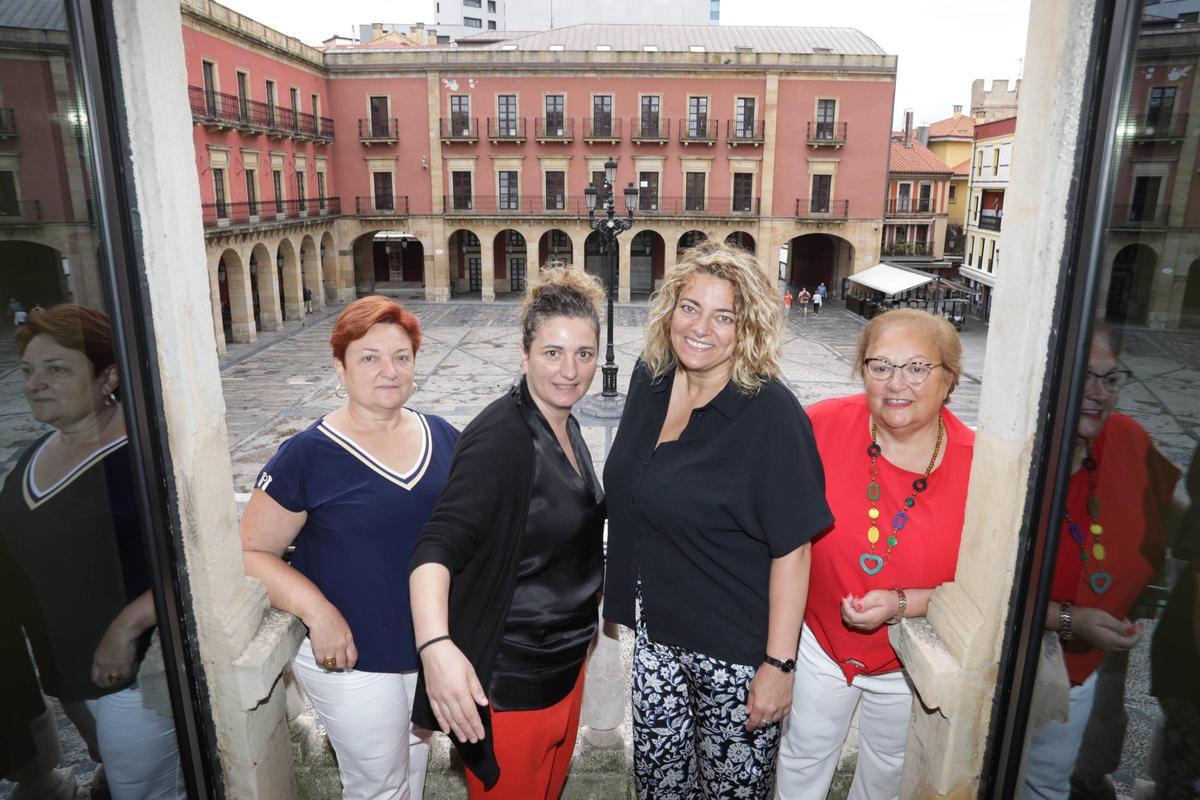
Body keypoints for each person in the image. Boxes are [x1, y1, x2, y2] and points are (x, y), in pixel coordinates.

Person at [604, 240, 832, 799]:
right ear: (670, 310)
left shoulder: (772, 414)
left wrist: (779, 665)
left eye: (723, 315)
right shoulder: (650, 378)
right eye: (690, 307)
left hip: (735, 656)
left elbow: (794, 549)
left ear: (747, 327)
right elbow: (632, 493)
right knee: (660, 788)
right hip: (657, 640)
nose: (701, 327)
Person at [241, 296, 458, 800]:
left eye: (401, 357)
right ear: (340, 367)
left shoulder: (445, 437)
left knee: (415, 765)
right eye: (369, 357)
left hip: (426, 646)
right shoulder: (307, 454)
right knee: (378, 786)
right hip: (352, 656)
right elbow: (250, 552)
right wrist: (318, 612)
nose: (389, 370)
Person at [409, 266, 607, 798]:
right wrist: (435, 647)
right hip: (512, 688)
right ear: (524, 355)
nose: (570, 370)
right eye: (552, 352)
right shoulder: (501, 438)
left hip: (564, 669)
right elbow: (435, 548)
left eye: (584, 353)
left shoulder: (564, 423)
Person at [775, 308, 973, 800]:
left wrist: (904, 603)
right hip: (819, 640)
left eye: (917, 368)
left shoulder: (978, 464)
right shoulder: (821, 424)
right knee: (802, 755)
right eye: (880, 366)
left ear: (949, 378)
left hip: (907, 656)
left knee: (887, 771)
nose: (896, 383)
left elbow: (985, 589)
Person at [0, 304, 184, 799]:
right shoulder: (36, 454)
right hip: (68, 669)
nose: (35, 384)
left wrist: (127, 626)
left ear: (109, 377)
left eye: (57, 369)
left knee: (141, 791)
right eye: (28, 370)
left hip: (136, 671)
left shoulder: (146, 458)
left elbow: (197, 564)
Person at [1023, 323, 1179, 800]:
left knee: (1047, 783)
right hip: (1012, 660)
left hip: (1080, 667)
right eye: (1085, 376)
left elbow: (1168, 519)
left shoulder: (1128, 439)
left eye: (1110, 379)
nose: (1099, 393)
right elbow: (981, 587)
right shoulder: (1016, 454)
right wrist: (1071, 619)